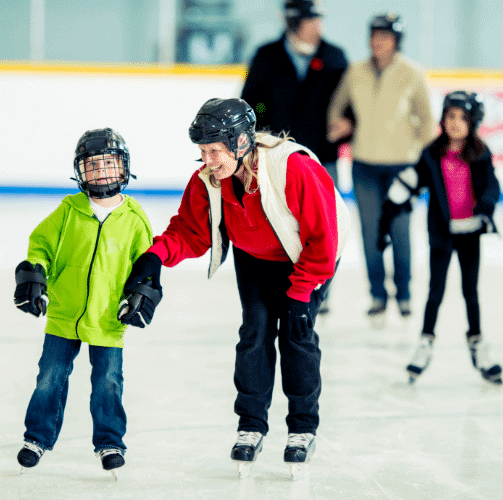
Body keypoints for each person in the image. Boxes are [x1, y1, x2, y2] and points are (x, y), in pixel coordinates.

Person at [122, 98, 349, 479]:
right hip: (256, 258)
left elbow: (324, 241)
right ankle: (252, 424)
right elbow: (189, 232)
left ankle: (302, 428)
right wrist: (154, 258)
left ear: (241, 142)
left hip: (307, 257)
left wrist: (301, 293)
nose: (208, 160)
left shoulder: (293, 168)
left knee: (296, 335)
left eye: (215, 151)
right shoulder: (209, 180)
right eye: (202, 152)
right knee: (255, 332)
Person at [12, 128, 158, 477]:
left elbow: (147, 266)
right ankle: (37, 438)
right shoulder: (68, 211)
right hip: (64, 313)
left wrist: (141, 293)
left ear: (123, 168)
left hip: (108, 318)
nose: (102, 172)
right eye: (93, 165)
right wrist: (35, 276)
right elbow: (40, 247)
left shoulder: (135, 220)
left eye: (109, 163)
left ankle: (110, 442)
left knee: (108, 381)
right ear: (81, 171)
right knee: (49, 376)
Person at [381, 91, 503, 385]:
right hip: (442, 234)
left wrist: (486, 207)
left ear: (474, 121)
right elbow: (414, 179)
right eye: (451, 116)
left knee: (470, 294)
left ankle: (477, 342)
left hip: (470, 232)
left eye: (463, 117)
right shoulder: (431, 153)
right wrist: (392, 206)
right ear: (442, 119)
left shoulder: (481, 153)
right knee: (434, 293)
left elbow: (491, 185)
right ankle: (425, 342)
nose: (456, 123)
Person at [327, 12, 436, 325]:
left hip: (402, 167)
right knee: (371, 233)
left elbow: (426, 119)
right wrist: (339, 124)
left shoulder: (412, 73)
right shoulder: (355, 71)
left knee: (400, 232)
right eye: (374, 35)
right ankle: (377, 294)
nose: (378, 41)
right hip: (364, 165)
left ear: (396, 41)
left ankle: (403, 293)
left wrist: (422, 157)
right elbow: (338, 105)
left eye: (385, 36)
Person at [241, 0, 347, 187]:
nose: (318, 26)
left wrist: (346, 123)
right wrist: (264, 126)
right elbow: (254, 101)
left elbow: (348, 102)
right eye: (311, 20)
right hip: (276, 155)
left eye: (319, 20)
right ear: (294, 22)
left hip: (322, 157)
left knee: (323, 214)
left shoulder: (334, 57)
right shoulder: (266, 56)